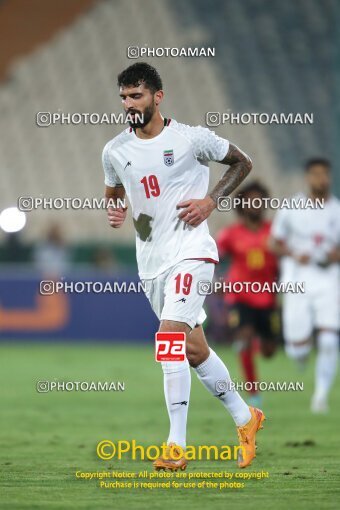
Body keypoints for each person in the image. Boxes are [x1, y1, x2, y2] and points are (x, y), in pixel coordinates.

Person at [102, 62, 265, 470]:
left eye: (136, 95)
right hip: (151, 265)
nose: (129, 104)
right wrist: (116, 209)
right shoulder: (114, 150)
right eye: (124, 97)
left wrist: (211, 201)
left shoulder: (191, 139)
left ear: (158, 97)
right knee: (193, 349)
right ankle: (247, 418)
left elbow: (243, 162)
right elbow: (113, 190)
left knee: (168, 340)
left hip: (192, 253)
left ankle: (176, 446)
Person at [269, 158, 340, 413]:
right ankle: (300, 353)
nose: (321, 179)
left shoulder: (337, 210)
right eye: (316, 174)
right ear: (308, 177)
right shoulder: (291, 207)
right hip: (296, 279)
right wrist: (292, 253)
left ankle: (320, 396)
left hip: (328, 279)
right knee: (296, 348)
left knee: (330, 339)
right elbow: (274, 243)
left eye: (325, 174)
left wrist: (335, 256)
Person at [216, 182, 279, 407]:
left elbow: (284, 259)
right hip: (239, 295)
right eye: (249, 200)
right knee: (244, 337)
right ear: (242, 204)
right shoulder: (230, 234)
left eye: (258, 199)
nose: (254, 204)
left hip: (267, 298)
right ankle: (253, 393)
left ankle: (261, 343)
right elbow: (215, 256)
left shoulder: (275, 231)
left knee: (269, 350)